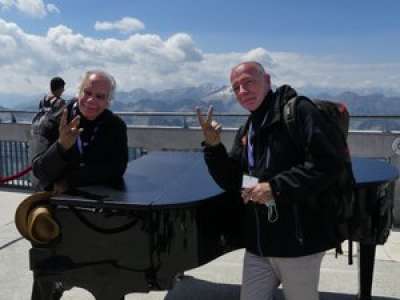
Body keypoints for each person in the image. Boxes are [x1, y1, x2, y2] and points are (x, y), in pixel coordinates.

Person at [197, 61, 346, 300]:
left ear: (267, 81)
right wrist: (214, 147)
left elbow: (328, 164)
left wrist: (275, 188)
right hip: (259, 243)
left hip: (298, 243)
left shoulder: (299, 111)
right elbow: (232, 180)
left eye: (248, 82)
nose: (242, 91)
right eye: (236, 88)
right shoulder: (249, 128)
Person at [31, 70, 128, 193]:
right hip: (54, 201)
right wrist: (60, 147)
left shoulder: (115, 126)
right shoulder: (52, 122)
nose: (91, 100)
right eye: (87, 93)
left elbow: (116, 168)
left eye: (100, 96)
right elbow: (39, 172)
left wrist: (68, 181)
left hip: (100, 200)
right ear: (78, 92)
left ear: (108, 102)